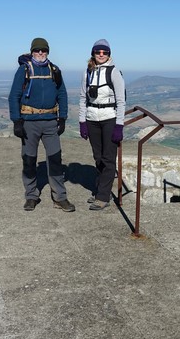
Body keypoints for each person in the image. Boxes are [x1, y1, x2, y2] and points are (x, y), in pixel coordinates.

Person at [9, 37, 74, 212]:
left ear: (47, 52)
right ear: (32, 52)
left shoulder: (54, 70)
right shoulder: (23, 70)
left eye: (43, 50)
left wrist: (63, 118)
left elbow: (62, 94)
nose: (40, 53)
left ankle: (59, 198)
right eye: (37, 50)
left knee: (55, 159)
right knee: (29, 160)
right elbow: (14, 96)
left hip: (50, 122)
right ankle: (31, 196)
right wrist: (17, 121)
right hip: (29, 122)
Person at [78, 39, 126, 211]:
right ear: (93, 53)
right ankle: (100, 189)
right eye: (98, 52)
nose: (101, 55)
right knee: (98, 157)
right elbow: (83, 98)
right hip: (92, 118)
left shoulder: (114, 72)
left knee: (108, 158)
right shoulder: (87, 72)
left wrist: (119, 125)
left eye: (104, 52)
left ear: (109, 54)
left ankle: (103, 196)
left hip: (109, 118)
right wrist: (82, 122)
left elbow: (121, 101)